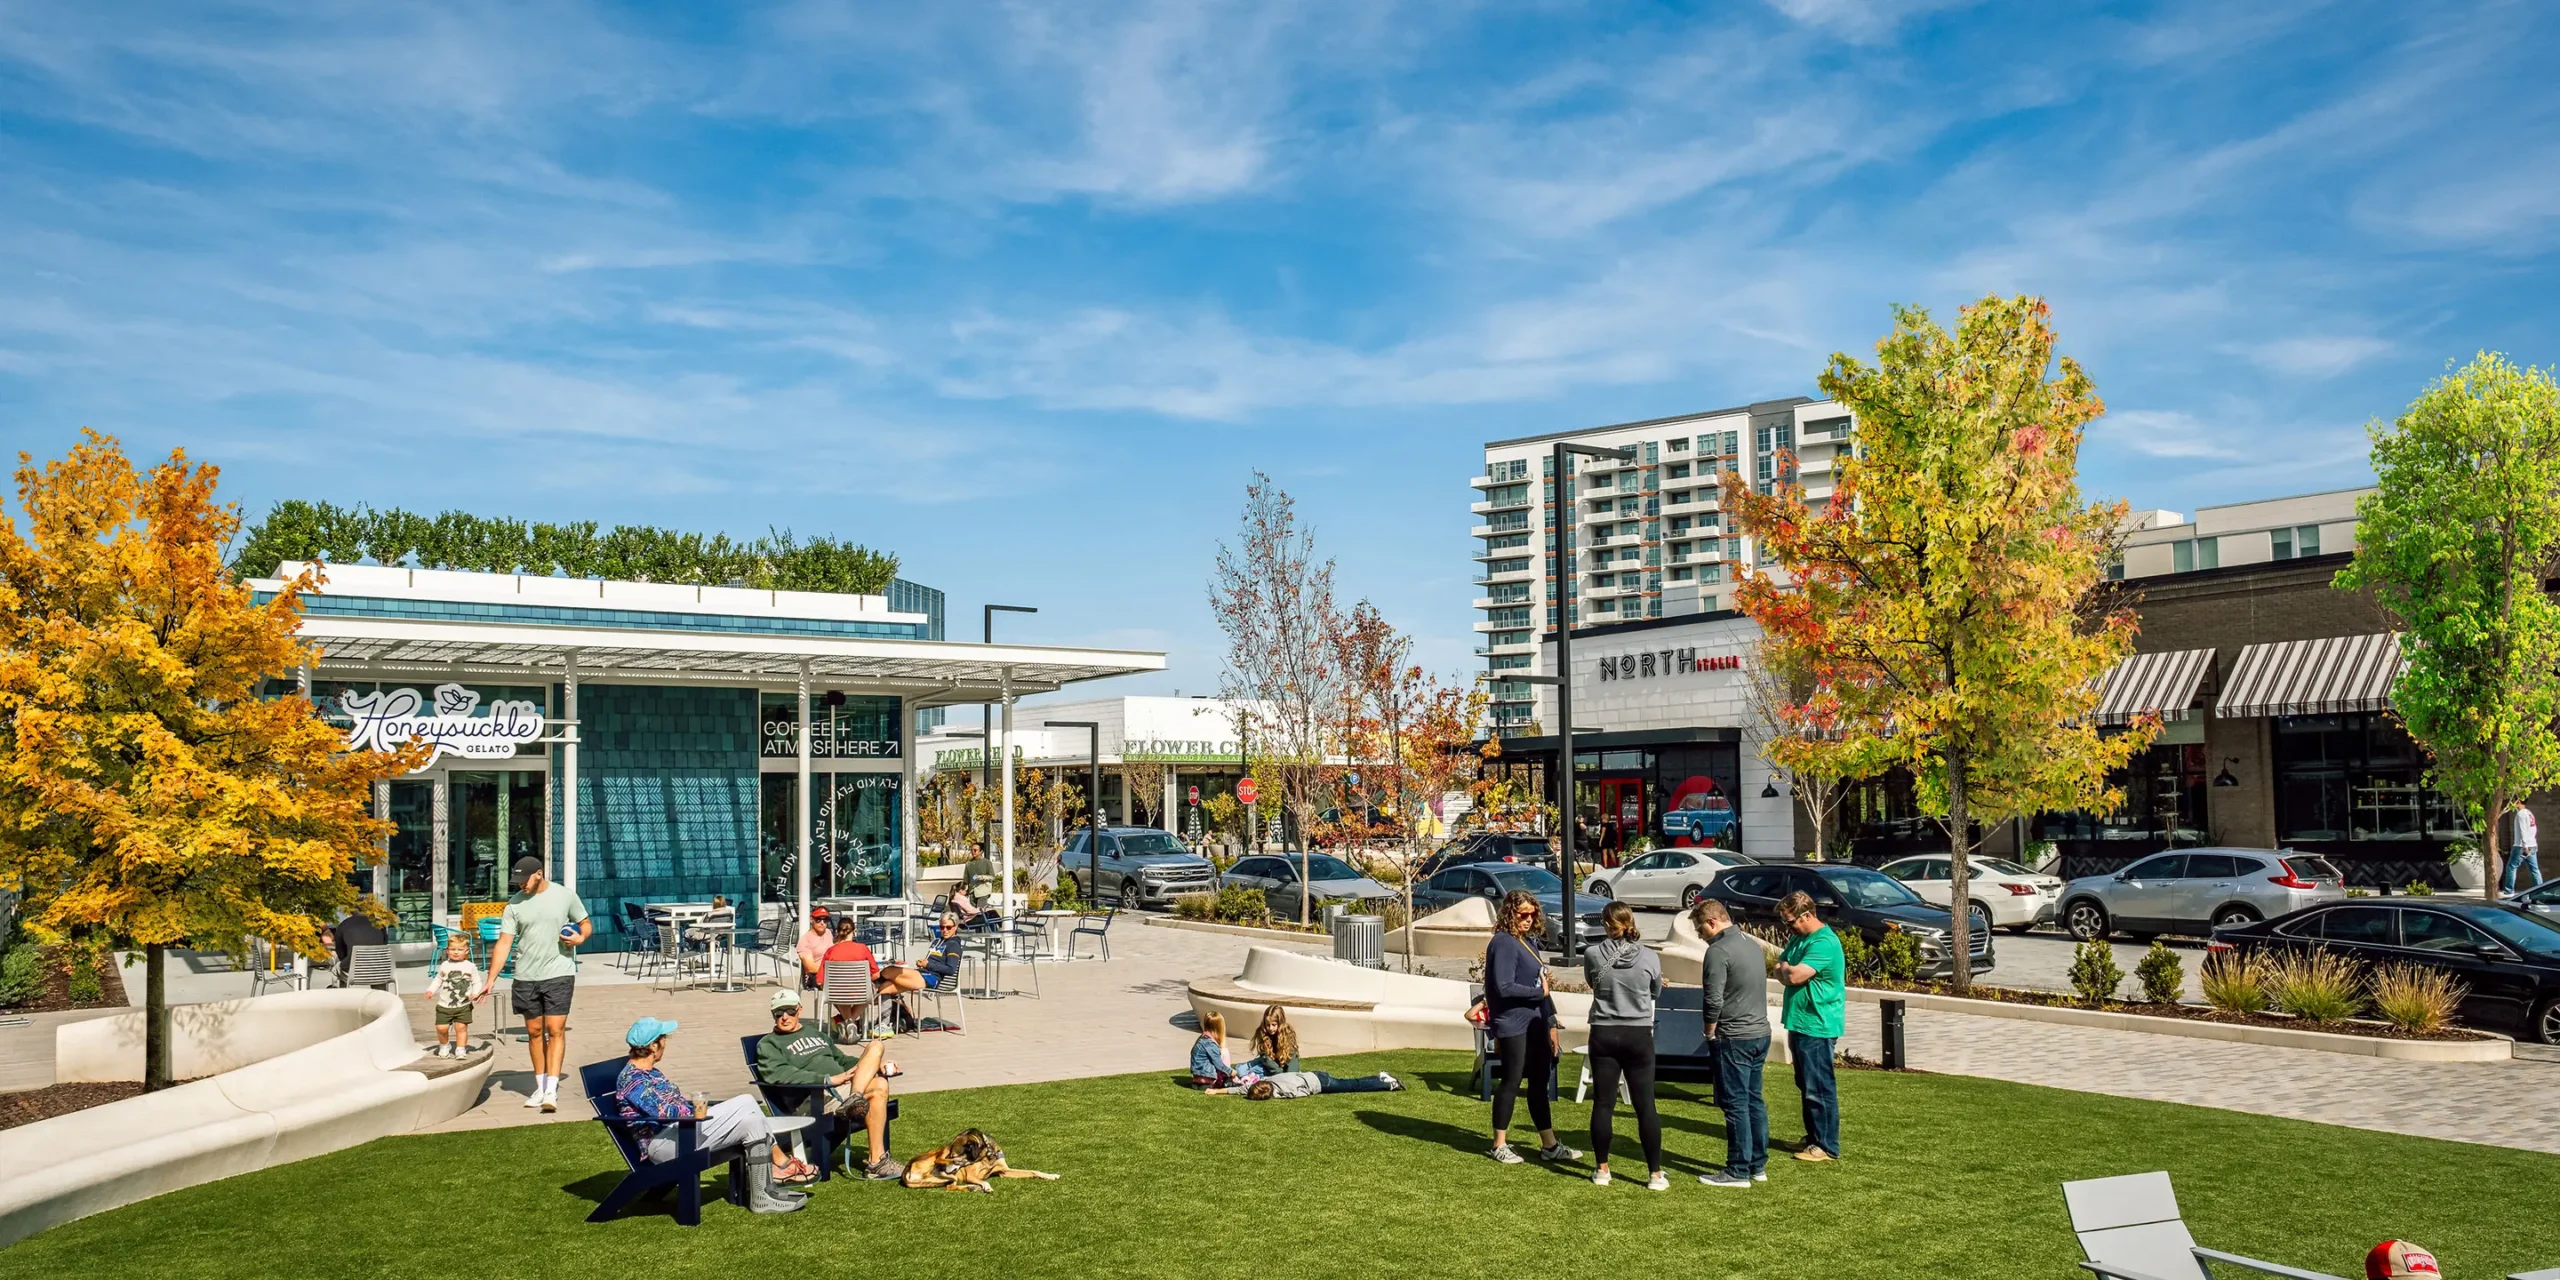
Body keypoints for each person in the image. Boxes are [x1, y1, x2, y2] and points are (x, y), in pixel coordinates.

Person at [615, 1017, 809, 1213]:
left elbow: (675, 1106)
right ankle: (781, 1164)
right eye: (663, 1038)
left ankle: (763, 1196)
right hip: (663, 1144)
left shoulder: (652, 1073)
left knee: (751, 1121)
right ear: (653, 1045)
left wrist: (695, 1109)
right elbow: (666, 1112)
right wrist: (698, 1110)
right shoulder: (633, 1079)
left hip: (681, 1132)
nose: (665, 1043)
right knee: (746, 1101)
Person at [476, 857, 590, 1114]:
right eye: (517, 881)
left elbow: (585, 923)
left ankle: (551, 1089)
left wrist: (581, 938)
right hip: (526, 976)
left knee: (555, 1029)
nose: (521, 885)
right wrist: (490, 980)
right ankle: (539, 1086)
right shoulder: (514, 905)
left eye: (524, 880)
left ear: (539, 874)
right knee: (535, 1032)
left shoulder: (565, 895)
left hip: (559, 973)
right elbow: (504, 943)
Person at [754, 991, 907, 1179]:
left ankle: (854, 1098)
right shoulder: (768, 1044)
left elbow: (842, 1060)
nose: (784, 1017)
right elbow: (780, 1074)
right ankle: (876, 1163)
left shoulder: (815, 1034)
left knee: (876, 1046)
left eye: (789, 1011)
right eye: (778, 1013)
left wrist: (874, 1065)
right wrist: (826, 1080)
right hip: (816, 1097)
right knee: (879, 1086)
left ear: (799, 1010)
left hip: (843, 1089)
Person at [1479, 889, 1579, 1166]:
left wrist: (1550, 1021)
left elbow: (1539, 987)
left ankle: (1550, 1144)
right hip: (1513, 1023)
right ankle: (1499, 1144)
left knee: (1539, 1083)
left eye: (1532, 914)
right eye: (1523, 914)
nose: (1528, 919)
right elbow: (1504, 986)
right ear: (1510, 913)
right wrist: (1540, 995)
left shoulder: (1527, 942)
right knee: (1511, 1081)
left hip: (1535, 1022)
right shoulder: (1503, 943)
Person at [1582, 901, 1664, 1190]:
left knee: (1603, 1103)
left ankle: (1602, 1169)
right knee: (1645, 1105)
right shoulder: (1650, 956)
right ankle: (1655, 1174)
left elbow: (1593, 982)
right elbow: (1655, 991)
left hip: (1603, 1032)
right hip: (1638, 1032)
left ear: (1606, 924)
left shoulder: (1592, 954)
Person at [1694, 897, 1771, 1188]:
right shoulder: (1752, 945)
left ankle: (1738, 1169)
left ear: (1713, 922)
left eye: (1701, 929)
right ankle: (1756, 1164)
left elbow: (1713, 998)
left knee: (1736, 1102)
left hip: (1734, 1035)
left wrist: (1709, 1031)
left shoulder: (1719, 951)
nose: (1700, 936)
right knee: (1754, 1099)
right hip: (1760, 1033)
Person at [1774, 890, 1845, 1162]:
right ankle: (1813, 1137)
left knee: (1819, 1086)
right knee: (1805, 1083)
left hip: (1818, 1024)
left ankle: (1826, 1145)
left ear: (1807, 915)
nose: (1787, 927)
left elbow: (1793, 974)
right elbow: (1780, 967)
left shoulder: (1824, 942)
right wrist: (1786, 971)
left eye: (1790, 921)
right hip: (1800, 1022)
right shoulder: (1798, 938)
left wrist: (1787, 971)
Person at [820, 914, 926, 1037]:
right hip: (861, 993)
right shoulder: (862, 949)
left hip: (836, 993)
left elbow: (821, 980)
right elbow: (875, 974)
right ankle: (851, 1022)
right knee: (875, 989)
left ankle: (848, 1023)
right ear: (854, 932)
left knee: (840, 991)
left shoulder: (830, 951)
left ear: (837, 931)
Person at [428, 935, 479, 1058]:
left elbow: (476, 981)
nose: (456, 952)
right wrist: (431, 990)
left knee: (461, 1027)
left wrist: (475, 992)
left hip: (463, 1004)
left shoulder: (470, 966)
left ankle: (460, 1049)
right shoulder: (445, 965)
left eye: (460, 949)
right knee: (441, 1028)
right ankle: (444, 1045)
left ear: (466, 951)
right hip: (444, 1004)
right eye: (453, 949)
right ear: (447, 950)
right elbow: (438, 979)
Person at [1209, 1069, 1403, 1099]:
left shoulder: (1283, 1090)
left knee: (1352, 1086)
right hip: (1314, 1074)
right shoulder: (1266, 1081)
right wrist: (1216, 1092)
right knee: (1350, 1083)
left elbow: (1301, 1092)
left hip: (1319, 1083)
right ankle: (1380, 1078)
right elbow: (1238, 1089)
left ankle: (1386, 1083)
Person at [326, 909, 387, 988]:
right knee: (377, 967)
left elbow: (341, 954)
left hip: (353, 972)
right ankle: (381, 996)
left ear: (351, 911)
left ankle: (343, 996)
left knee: (337, 968)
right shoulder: (380, 924)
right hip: (379, 971)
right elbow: (384, 945)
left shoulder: (343, 925)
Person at [1248, 1004, 1300, 1075]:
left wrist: (1287, 1076)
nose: (1270, 1028)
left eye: (1274, 1025)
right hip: (1271, 1067)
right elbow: (1267, 1060)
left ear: (1280, 1023)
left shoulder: (1288, 1035)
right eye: (1268, 1025)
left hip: (1286, 1067)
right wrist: (1278, 1073)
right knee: (1241, 1069)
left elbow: (1292, 1064)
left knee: (1291, 1076)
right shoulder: (1263, 1034)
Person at [1190, 1009, 1237, 1087]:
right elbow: (1219, 1065)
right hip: (1206, 1077)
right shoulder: (1210, 1044)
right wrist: (1231, 1072)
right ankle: (1227, 1080)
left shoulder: (1201, 1040)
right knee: (1224, 1052)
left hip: (1197, 1077)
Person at [2504, 805, 2543, 893]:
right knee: (2534, 869)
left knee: (2511, 867)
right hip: (2532, 845)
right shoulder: (2529, 813)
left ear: (2519, 801)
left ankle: (2508, 890)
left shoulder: (2521, 814)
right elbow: (2534, 829)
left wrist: (2525, 846)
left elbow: (2523, 830)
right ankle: (2540, 890)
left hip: (2521, 846)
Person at [796, 907, 833, 989]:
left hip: (830, 971)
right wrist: (833, 968)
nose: (822, 923)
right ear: (811, 920)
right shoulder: (805, 940)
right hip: (813, 977)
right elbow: (811, 968)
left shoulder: (828, 933)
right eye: (818, 920)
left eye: (825, 920)